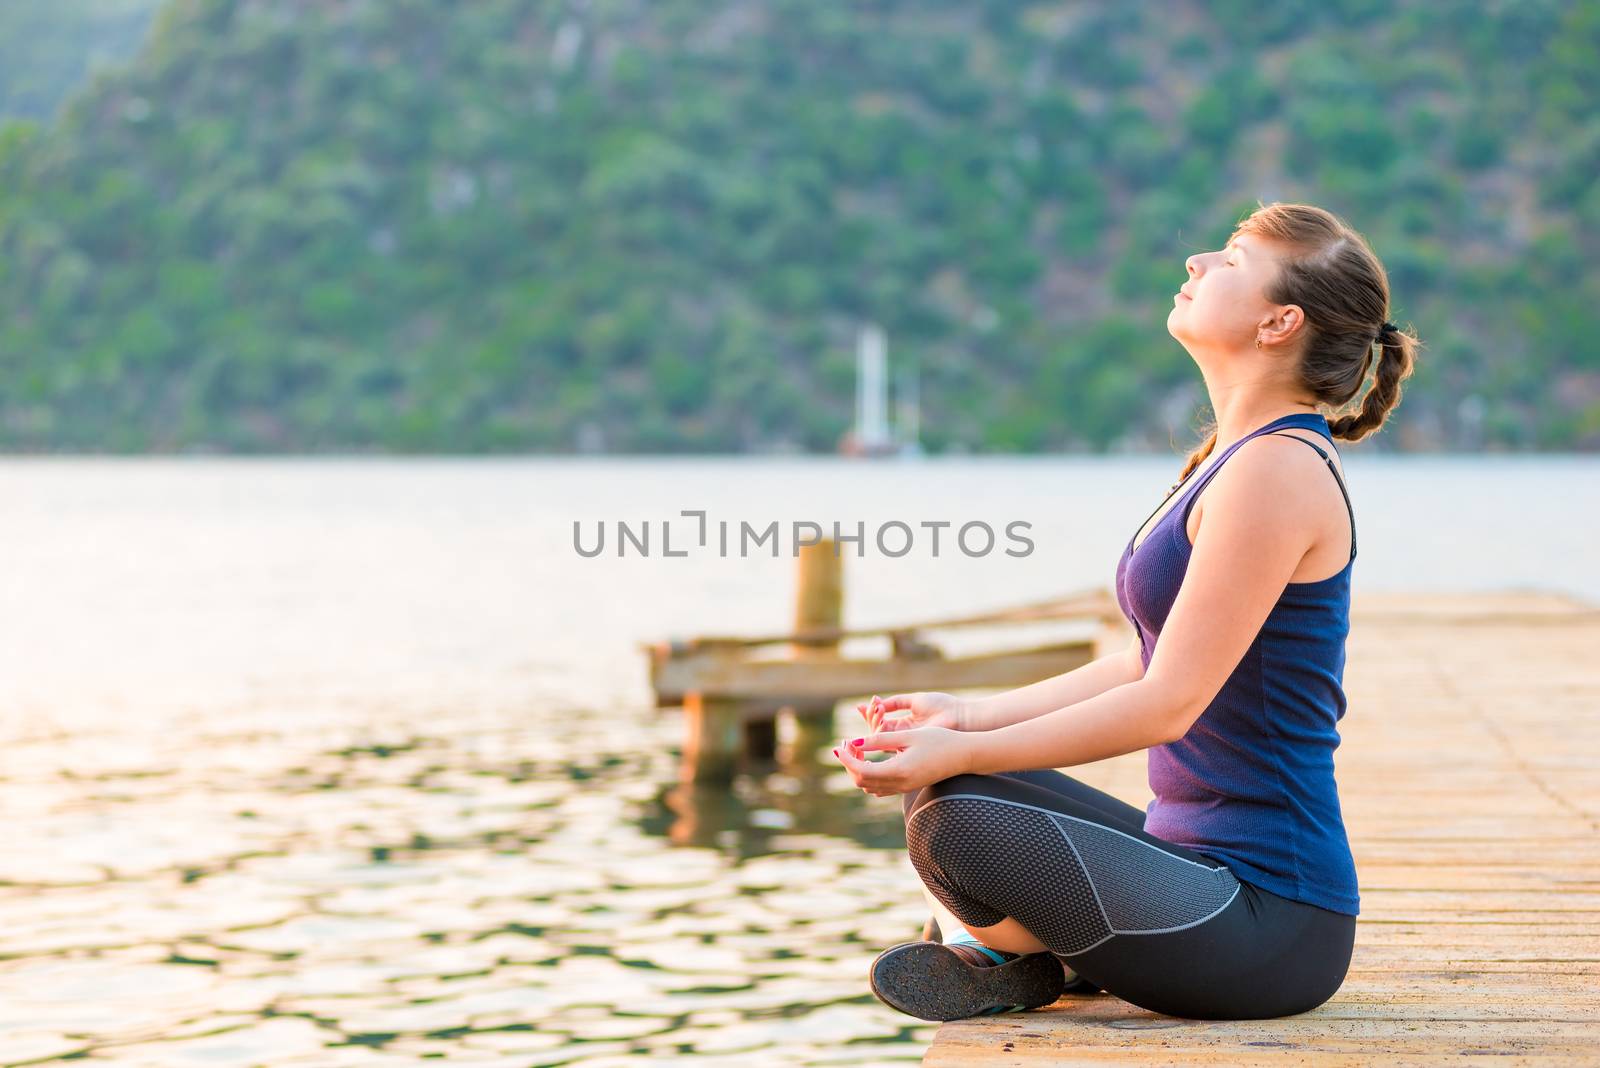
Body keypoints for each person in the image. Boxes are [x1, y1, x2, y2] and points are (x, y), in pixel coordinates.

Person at [833, 201, 1421, 1022]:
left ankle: (1014, 951)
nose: (1197, 262)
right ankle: (1028, 955)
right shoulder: (1235, 458)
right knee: (947, 786)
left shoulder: (1276, 471)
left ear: (1279, 322)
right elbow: (1153, 657)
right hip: (1190, 873)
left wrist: (950, 748)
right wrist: (964, 718)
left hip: (1269, 924)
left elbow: (1168, 703)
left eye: (1233, 259)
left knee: (956, 814)